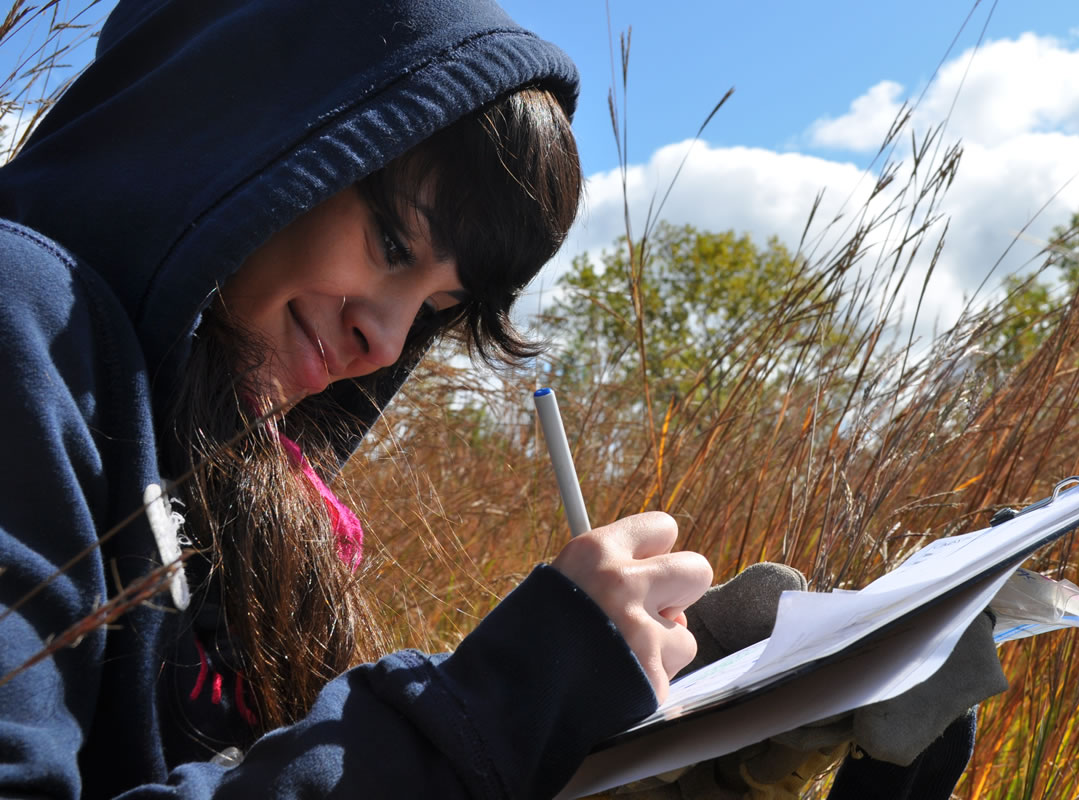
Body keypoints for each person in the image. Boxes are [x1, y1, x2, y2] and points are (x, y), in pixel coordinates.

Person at [0, 0, 712, 797]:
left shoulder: (250, 487)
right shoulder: (19, 320)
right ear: (249, 128)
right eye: (393, 245)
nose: (386, 341)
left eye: (437, 312)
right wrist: (485, 715)